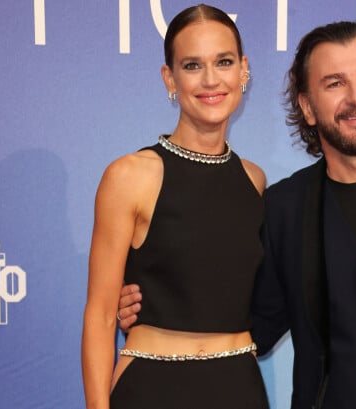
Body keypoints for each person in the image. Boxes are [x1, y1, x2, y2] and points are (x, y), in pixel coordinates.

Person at [119, 21, 356, 409]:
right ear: (307, 106)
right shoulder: (284, 205)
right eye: (335, 83)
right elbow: (250, 325)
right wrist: (153, 311)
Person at [81, 4, 269, 409]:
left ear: (243, 70)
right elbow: (99, 317)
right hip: (152, 388)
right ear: (170, 78)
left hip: (240, 389)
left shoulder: (255, 181)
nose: (211, 80)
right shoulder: (130, 175)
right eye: (191, 65)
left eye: (223, 61)